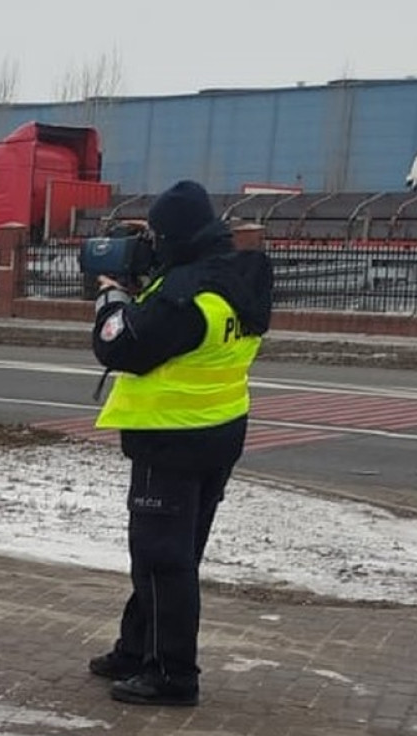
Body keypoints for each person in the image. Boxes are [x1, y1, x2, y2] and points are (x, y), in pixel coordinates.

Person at [86, 180, 273, 707]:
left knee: (161, 558)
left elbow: (120, 346)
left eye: (156, 234)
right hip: (219, 430)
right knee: (174, 555)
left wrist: (110, 300)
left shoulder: (186, 297)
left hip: (171, 438)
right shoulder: (235, 277)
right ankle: (135, 649)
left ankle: (172, 675)